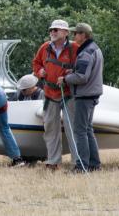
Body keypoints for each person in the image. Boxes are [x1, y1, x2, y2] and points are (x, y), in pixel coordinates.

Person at [32, 19, 79, 170]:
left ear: (66, 33)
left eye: (56, 30)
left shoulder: (75, 48)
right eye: (51, 30)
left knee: (72, 129)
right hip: (49, 94)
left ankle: (77, 162)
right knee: (51, 129)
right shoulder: (45, 47)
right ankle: (53, 161)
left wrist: (71, 73)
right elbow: (36, 63)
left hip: (68, 94)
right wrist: (39, 72)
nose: (52, 32)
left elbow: (83, 68)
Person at [58, 23, 103, 172]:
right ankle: (94, 164)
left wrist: (65, 79)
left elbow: (82, 77)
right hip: (92, 94)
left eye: (76, 33)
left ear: (83, 35)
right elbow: (86, 71)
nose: (73, 36)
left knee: (80, 131)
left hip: (85, 95)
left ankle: (81, 165)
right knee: (88, 129)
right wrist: (74, 70)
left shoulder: (85, 53)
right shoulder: (94, 48)